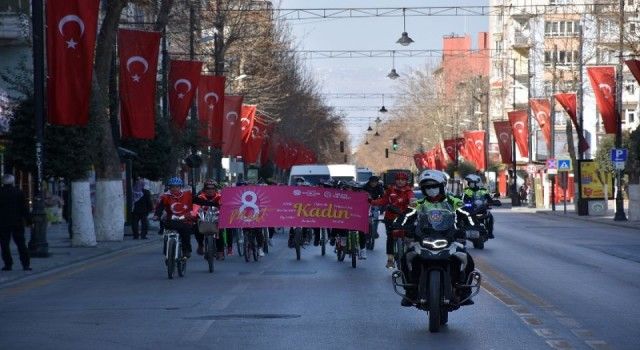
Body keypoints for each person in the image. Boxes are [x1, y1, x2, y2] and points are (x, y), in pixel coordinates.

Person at [401, 170, 474, 307]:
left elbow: (466, 214)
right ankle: (410, 291)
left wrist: (473, 225)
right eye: (427, 187)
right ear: (423, 189)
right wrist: (401, 225)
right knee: (405, 258)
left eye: (434, 186)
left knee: (468, 259)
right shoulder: (418, 203)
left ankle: (464, 290)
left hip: (450, 239)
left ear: (442, 186)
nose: (431, 189)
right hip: (424, 239)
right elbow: (406, 216)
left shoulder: (454, 201)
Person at [370, 172, 414, 269]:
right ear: (395, 180)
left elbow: (412, 200)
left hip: (404, 218)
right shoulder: (390, 190)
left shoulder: (409, 191)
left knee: (408, 237)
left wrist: (413, 203)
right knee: (390, 237)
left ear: (406, 181)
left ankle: (408, 255)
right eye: (398, 179)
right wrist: (372, 202)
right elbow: (383, 200)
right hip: (390, 217)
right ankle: (390, 259)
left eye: (403, 180)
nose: (400, 182)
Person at [153, 177, 194, 258]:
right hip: (171, 219)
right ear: (169, 187)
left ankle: (186, 250)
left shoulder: (187, 195)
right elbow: (160, 207)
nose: (174, 188)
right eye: (172, 187)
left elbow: (193, 205)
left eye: (177, 186)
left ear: (180, 187)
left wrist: (193, 214)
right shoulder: (165, 196)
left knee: (186, 233)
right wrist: (156, 215)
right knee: (166, 232)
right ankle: (167, 249)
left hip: (184, 219)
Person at [0, 174, 31, 271]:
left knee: (4, 244)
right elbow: (24, 208)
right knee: (21, 243)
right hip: (17, 222)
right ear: (13, 182)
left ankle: (8, 264)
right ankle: (25, 264)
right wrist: (29, 220)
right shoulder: (18, 192)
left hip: (3, 223)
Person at [461, 174, 499, 239]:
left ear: (476, 183)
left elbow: (489, 198)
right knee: (462, 217)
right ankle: (461, 233)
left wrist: (493, 202)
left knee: (490, 217)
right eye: (469, 182)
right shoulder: (467, 190)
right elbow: (463, 199)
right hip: (471, 209)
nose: (469, 184)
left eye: (471, 182)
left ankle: (490, 233)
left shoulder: (483, 190)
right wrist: (466, 204)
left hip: (482, 208)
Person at [192, 179, 224, 258]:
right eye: (208, 188)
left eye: (212, 188)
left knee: (220, 231)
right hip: (203, 219)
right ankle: (200, 245)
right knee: (196, 227)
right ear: (205, 189)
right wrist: (194, 215)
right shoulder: (199, 197)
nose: (210, 190)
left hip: (216, 219)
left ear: (215, 189)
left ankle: (220, 251)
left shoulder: (220, 197)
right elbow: (195, 208)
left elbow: (225, 207)